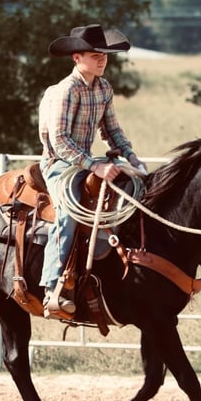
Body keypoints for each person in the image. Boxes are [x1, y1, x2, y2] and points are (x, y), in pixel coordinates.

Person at [38, 24, 144, 317]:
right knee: (68, 213)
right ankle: (52, 286)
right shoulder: (66, 91)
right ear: (77, 58)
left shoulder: (104, 88)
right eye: (95, 55)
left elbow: (112, 130)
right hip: (59, 164)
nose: (102, 60)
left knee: (134, 191)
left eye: (104, 55)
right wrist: (95, 165)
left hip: (84, 161)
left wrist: (133, 158)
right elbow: (59, 141)